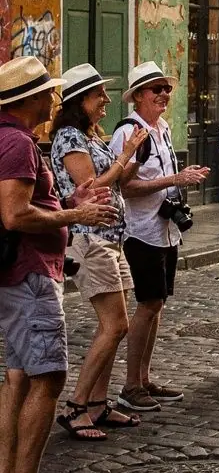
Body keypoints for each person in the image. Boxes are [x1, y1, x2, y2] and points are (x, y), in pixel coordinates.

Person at [0, 57, 117, 473]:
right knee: (47, 377)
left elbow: (29, 204)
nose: (54, 97)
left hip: (22, 273)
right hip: (29, 274)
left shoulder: (13, 139)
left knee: (19, 378)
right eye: (48, 91)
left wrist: (68, 200)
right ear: (27, 99)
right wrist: (76, 215)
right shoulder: (17, 143)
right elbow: (15, 215)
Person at [50, 63, 149, 440]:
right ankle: (76, 406)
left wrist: (133, 157)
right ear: (80, 101)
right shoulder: (69, 138)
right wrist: (124, 155)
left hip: (109, 237)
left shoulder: (88, 135)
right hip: (88, 239)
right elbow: (90, 187)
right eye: (99, 95)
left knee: (116, 327)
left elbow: (117, 181)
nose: (107, 99)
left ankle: (97, 403)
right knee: (115, 325)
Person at [110, 62, 209, 411]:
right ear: (138, 96)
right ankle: (130, 385)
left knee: (158, 304)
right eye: (157, 89)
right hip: (142, 231)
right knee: (148, 304)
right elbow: (126, 187)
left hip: (165, 230)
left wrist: (182, 176)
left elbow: (164, 177)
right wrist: (174, 180)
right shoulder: (129, 133)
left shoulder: (162, 128)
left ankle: (144, 377)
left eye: (166, 88)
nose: (164, 94)